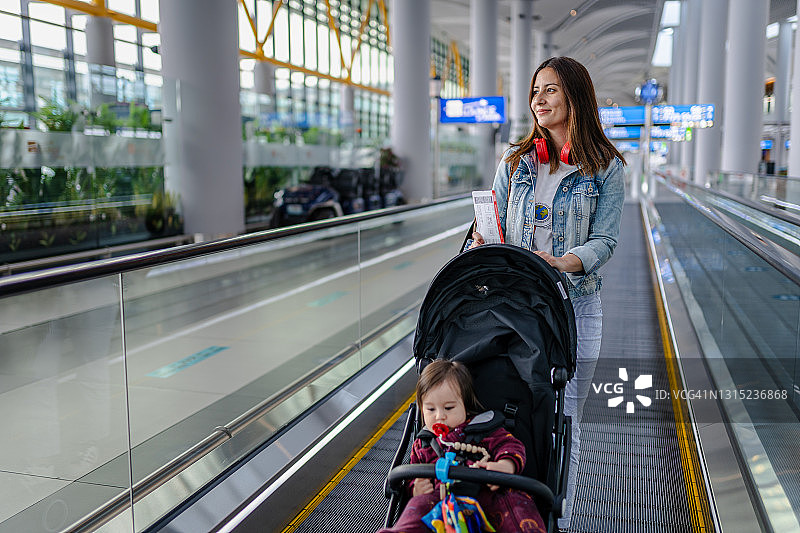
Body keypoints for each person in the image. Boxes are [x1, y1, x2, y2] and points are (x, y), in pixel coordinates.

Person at [468, 56, 625, 530]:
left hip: (575, 307)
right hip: (513, 307)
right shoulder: (514, 161)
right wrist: (486, 241)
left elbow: (606, 240)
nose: (538, 99)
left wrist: (566, 262)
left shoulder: (605, 168)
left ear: (575, 96)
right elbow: (493, 222)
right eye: (535, 90)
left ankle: (562, 516)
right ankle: (507, 508)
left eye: (550, 90)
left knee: (565, 419)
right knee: (511, 409)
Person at [377, 359, 545, 533]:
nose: (439, 416)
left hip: (487, 492)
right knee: (417, 506)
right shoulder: (425, 442)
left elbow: (510, 446)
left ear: (465, 405)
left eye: (449, 408)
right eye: (430, 410)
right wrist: (415, 487)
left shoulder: (485, 429)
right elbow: (413, 472)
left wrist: (505, 465)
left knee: (515, 504)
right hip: (440, 500)